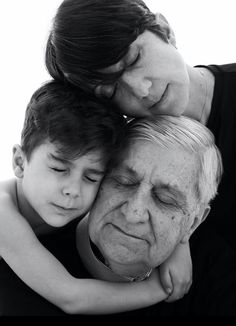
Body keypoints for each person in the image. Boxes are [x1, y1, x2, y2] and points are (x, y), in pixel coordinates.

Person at [45, 0, 236, 255]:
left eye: (134, 58)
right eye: (112, 90)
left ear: (164, 29)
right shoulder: (125, 154)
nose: (141, 90)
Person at [1, 116, 236, 317]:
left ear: (193, 223)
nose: (133, 213)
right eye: (123, 182)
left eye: (165, 199)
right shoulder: (22, 272)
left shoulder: (217, 272)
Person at [0, 80, 169, 316]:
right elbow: (70, 296)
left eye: (91, 178)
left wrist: (178, 248)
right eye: (59, 169)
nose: (74, 190)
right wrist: (158, 289)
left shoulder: (83, 208)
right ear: (20, 162)